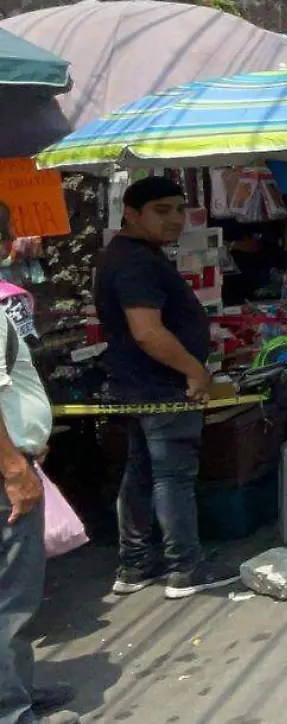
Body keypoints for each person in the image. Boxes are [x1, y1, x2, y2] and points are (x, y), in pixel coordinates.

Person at [98, 176, 235, 600]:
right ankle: (185, 567)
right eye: (162, 210)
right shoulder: (135, 262)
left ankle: (136, 563)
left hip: (141, 385)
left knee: (143, 471)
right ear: (132, 213)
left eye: (179, 209)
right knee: (172, 476)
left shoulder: (134, 254)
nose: (175, 219)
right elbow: (147, 332)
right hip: (161, 386)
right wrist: (195, 371)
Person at [0, 307, 79, 724]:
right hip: (4, 473)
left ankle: (18, 691)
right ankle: (12, 712)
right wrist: (13, 466)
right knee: (11, 600)